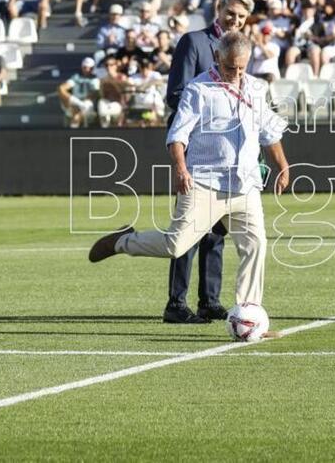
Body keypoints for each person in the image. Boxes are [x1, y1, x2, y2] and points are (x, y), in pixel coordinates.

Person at [89, 32, 291, 327]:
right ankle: (122, 241)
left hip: (244, 186)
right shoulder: (199, 89)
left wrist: (283, 166)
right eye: (230, 67)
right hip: (204, 183)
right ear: (219, 58)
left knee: (255, 245)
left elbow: (270, 133)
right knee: (176, 245)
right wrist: (181, 168)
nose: (235, 73)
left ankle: (248, 317)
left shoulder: (257, 89)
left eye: (242, 68)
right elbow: (177, 135)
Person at [161, 0, 254, 324]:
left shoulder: (243, 47)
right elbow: (176, 94)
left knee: (217, 230)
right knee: (188, 227)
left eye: (242, 16)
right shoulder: (194, 42)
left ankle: (209, 300)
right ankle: (176, 304)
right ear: (219, 8)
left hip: (225, 151)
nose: (235, 20)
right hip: (194, 148)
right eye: (230, 13)